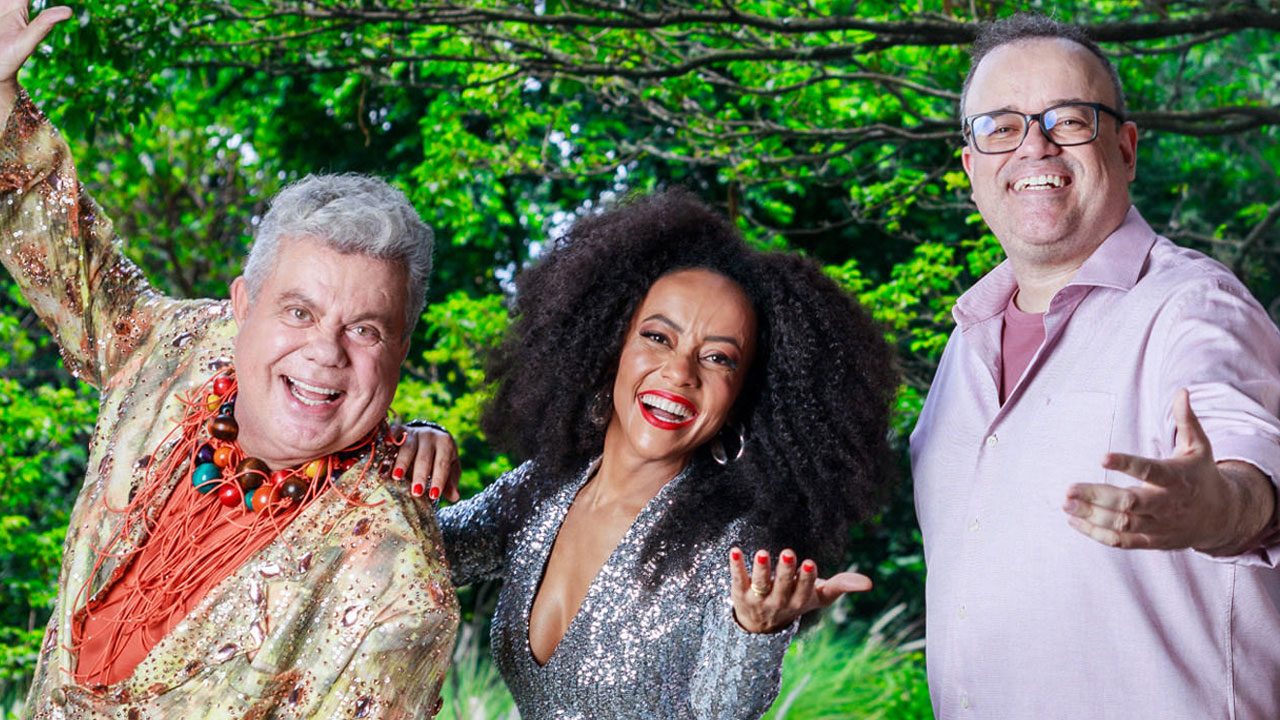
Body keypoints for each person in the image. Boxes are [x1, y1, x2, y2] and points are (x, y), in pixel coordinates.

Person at [0, 4, 461, 717]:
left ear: (400, 349)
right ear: (241, 306)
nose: (324, 353)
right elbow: (67, 260)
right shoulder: (175, 349)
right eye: (299, 312)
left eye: (366, 329)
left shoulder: (398, 593)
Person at [910, 13, 1280, 719]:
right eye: (1001, 127)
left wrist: (1216, 507)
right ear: (972, 166)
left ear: (1127, 147)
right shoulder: (965, 346)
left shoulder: (1194, 307)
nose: (1035, 147)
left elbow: (1249, 467)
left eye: (1068, 119)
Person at [425, 188, 897, 718]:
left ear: (744, 395)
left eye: (718, 357)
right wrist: (411, 442)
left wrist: (754, 631)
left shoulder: (733, 546)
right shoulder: (539, 491)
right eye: (658, 337)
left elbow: (719, 710)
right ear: (611, 347)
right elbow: (407, 553)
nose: (680, 373)